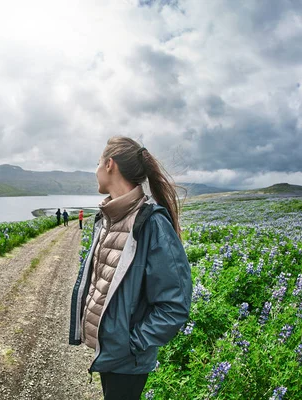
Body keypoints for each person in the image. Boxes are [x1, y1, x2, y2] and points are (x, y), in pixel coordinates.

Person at [69, 137, 191, 400]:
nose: (96, 170)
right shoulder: (108, 218)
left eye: (98, 163)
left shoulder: (151, 223)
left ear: (110, 164)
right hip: (111, 351)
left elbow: (175, 305)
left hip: (127, 357)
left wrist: (132, 343)